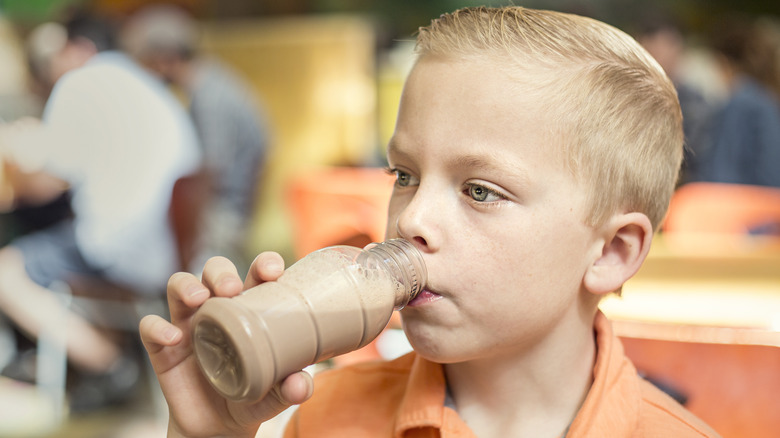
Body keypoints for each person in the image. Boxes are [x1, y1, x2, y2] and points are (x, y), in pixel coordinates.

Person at [139, 6, 720, 437]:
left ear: (611, 252)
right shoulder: (326, 416)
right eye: (405, 175)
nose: (411, 217)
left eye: (480, 191)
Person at [0, 9, 200, 410]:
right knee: (64, 241)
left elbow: (46, 181)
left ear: (78, 49)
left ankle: (109, 367)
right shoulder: (143, 83)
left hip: (123, 250)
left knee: (7, 268)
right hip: (169, 249)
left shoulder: (81, 83)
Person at [122, 4, 270, 275]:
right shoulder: (210, 84)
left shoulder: (210, 98)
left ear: (164, 59)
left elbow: (210, 174)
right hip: (221, 212)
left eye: (146, 64)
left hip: (225, 219)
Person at [685, 16, 780, 188]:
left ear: (722, 62)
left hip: (738, 208)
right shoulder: (767, 100)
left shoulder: (739, 105)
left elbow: (722, 176)